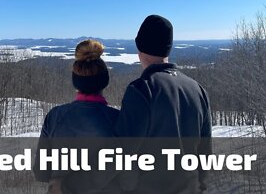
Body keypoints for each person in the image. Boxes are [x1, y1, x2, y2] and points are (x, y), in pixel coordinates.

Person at [115, 15, 212, 193]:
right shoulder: (198, 90)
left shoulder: (141, 90)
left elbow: (125, 154)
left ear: (140, 48)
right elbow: (205, 154)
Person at [33, 39, 120, 194]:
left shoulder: (55, 116)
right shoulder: (118, 120)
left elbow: (41, 172)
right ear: (104, 81)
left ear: (76, 82)